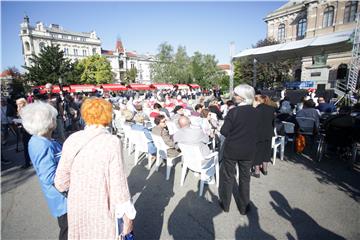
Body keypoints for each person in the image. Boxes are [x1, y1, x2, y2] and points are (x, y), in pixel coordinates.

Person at [54, 98, 135, 239]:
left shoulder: (72, 139)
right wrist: (128, 217)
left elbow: (60, 182)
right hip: (101, 205)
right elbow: (118, 184)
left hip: (77, 205)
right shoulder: (112, 142)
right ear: (108, 116)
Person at [19, 102, 68, 240]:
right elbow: (49, 177)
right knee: (68, 231)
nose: (55, 120)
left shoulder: (41, 140)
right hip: (63, 199)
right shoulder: (41, 144)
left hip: (61, 196)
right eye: (53, 117)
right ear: (46, 122)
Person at [218, 84, 259, 215]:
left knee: (228, 177)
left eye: (236, 94)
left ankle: (225, 204)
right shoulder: (257, 112)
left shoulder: (233, 111)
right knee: (245, 178)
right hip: (248, 149)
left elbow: (224, 131)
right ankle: (244, 207)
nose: (234, 96)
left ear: (242, 97)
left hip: (232, 149)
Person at [252, 95, 275, 177]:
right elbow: (273, 122)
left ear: (258, 100)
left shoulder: (255, 109)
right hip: (268, 133)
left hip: (258, 133)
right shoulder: (271, 109)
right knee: (266, 151)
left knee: (257, 151)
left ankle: (257, 171)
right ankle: (265, 170)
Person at [15, 98, 32, 169]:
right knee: (26, 146)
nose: (18, 105)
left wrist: (19, 121)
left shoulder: (28, 109)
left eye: (20, 103)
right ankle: (27, 162)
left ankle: (28, 162)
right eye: (17, 104)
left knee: (29, 146)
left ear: (24, 103)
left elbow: (28, 120)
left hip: (30, 130)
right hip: (24, 130)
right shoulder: (20, 110)